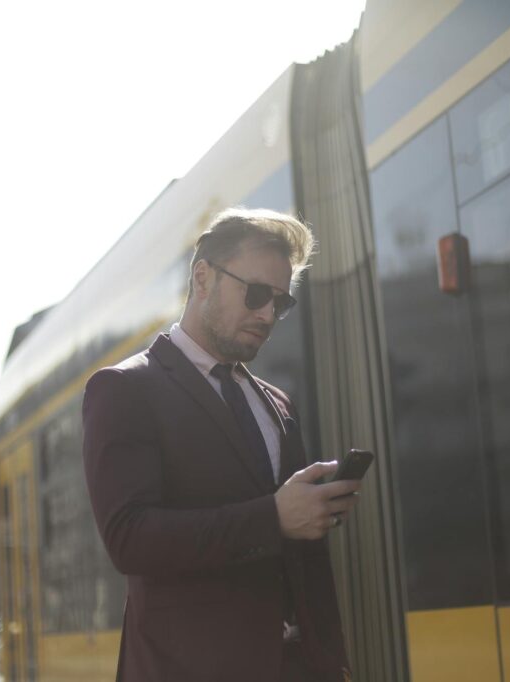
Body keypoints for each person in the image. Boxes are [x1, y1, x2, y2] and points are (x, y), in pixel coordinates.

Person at [82, 208, 360, 682]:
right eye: (255, 294)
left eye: (281, 303)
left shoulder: (276, 404)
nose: (268, 314)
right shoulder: (125, 388)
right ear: (203, 277)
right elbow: (129, 540)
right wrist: (273, 517)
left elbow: (302, 560)